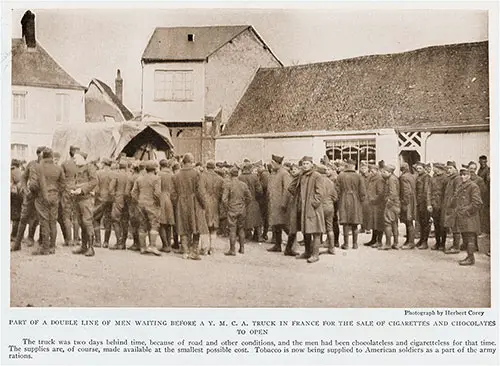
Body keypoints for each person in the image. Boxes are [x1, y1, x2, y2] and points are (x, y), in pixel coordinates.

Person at [171, 153, 208, 260]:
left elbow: (173, 193)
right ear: (192, 161)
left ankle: (185, 251)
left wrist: (177, 203)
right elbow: (200, 192)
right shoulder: (197, 174)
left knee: (182, 226)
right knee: (196, 226)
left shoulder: (176, 175)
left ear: (183, 162)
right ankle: (194, 251)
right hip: (194, 203)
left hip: (181, 202)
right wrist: (204, 204)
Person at [30, 148, 66, 255]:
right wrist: (56, 192)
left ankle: (45, 247)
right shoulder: (58, 168)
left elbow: (33, 184)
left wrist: (36, 193)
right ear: (51, 156)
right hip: (54, 196)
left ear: (43, 156)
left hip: (42, 196)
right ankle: (52, 247)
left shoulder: (38, 167)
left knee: (44, 221)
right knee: (53, 221)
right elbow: (63, 184)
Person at [11, 146, 45, 252]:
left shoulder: (47, 166)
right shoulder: (31, 164)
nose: (43, 156)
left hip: (41, 197)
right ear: (38, 154)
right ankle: (17, 244)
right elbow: (23, 177)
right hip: (30, 196)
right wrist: (25, 190)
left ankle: (39, 240)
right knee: (23, 218)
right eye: (41, 154)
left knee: (38, 219)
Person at [451, 167, 483, 265]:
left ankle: (471, 258)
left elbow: (477, 203)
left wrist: (466, 211)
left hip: (470, 216)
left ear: (469, 175)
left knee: (470, 238)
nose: (463, 177)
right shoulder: (461, 185)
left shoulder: (473, 186)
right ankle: (469, 257)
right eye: (461, 175)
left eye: (465, 175)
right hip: (462, 216)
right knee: (465, 237)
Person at [131, 161, 162, 256]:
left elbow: (133, 193)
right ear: (155, 169)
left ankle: (142, 247)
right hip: (151, 204)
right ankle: (152, 246)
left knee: (142, 225)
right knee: (154, 224)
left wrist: (138, 201)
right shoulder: (156, 179)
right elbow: (157, 193)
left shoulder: (139, 179)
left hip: (140, 203)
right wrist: (158, 203)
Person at [71, 152, 98, 257]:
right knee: (81, 222)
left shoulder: (90, 167)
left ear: (83, 158)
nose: (74, 160)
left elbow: (94, 181)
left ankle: (91, 248)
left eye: (76, 158)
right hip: (78, 199)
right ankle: (83, 246)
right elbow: (76, 182)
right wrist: (73, 189)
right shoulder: (78, 169)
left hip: (86, 199)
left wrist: (82, 189)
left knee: (87, 222)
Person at [337, 159, 366, 250]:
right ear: (354, 166)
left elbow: (337, 189)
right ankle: (355, 244)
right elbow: (362, 191)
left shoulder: (341, 176)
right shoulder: (358, 176)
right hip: (355, 200)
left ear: (346, 165)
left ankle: (346, 244)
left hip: (344, 199)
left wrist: (338, 199)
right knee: (355, 222)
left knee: (345, 222)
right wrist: (361, 200)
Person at [222, 166, 251, 255]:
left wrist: (227, 208)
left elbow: (224, 199)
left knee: (232, 229)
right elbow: (249, 197)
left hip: (232, 209)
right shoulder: (243, 184)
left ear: (230, 174)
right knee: (241, 228)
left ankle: (232, 249)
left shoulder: (228, 185)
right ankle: (242, 248)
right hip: (242, 209)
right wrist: (244, 205)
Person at [267, 154, 291, 252]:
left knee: (283, 225)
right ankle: (277, 245)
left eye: (272, 163)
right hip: (274, 203)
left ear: (278, 163)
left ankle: (292, 244)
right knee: (276, 224)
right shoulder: (274, 173)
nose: (271, 164)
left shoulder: (284, 173)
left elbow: (287, 189)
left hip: (281, 204)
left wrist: (284, 203)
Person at [202, 160, 224, 255]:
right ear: (214, 167)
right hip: (215, 203)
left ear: (207, 167)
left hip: (205, 203)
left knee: (204, 226)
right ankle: (212, 248)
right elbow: (222, 193)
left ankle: (204, 248)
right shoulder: (220, 179)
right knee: (214, 227)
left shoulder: (202, 177)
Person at [238, 162, 264, 242]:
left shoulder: (240, 177)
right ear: (250, 169)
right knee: (257, 219)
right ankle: (259, 237)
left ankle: (245, 237)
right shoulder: (254, 177)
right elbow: (259, 190)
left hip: (243, 201)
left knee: (244, 220)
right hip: (253, 200)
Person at [61, 145, 81, 246]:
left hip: (67, 190)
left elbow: (61, 179)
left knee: (66, 216)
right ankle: (76, 239)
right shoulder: (81, 165)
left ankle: (68, 240)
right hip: (77, 190)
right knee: (76, 216)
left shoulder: (65, 164)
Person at [108, 160, 130, 250]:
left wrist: (114, 196)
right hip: (127, 200)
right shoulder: (129, 175)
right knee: (125, 221)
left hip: (118, 198)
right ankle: (123, 243)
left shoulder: (116, 175)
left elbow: (110, 189)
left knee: (115, 220)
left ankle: (119, 242)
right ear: (126, 167)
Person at [442, 161, 462, 254]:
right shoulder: (451, 178)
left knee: (456, 226)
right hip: (450, 205)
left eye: (450, 168)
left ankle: (456, 247)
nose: (448, 170)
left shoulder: (457, 179)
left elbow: (457, 193)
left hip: (454, 206)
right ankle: (455, 245)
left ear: (455, 169)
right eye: (447, 168)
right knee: (453, 225)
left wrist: (452, 204)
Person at [93, 158, 113, 248]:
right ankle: (106, 242)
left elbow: (96, 188)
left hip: (100, 198)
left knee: (95, 219)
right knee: (108, 220)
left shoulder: (98, 173)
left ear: (104, 164)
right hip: (110, 199)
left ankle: (97, 241)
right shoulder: (114, 174)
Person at [364, 163, 386, 248]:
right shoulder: (372, 178)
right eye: (370, 171)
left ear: (377, 171)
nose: (371, 172)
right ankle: (373, 239)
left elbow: (380, 193)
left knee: (379, 223)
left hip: (378, 204)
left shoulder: (379, 179)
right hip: (373, 204)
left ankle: (379, 241)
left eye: (372, 171)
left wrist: (374, 200)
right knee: (373, 222)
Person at [317, 164, 337, 255]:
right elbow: (335, 197)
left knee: (317, 228)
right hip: (329, 206)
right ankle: (332, 248)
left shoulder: (317, 182)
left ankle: (315, 249)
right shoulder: (330, 182)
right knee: (330, 228)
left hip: (320, 207)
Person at [379, 164, 400, 250]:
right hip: (396, 204)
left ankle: (388, 244)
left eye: (384, 172)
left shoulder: (391, 180)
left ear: (389, 172)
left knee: (387, 223)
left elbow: (393, 193)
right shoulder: (394, 178)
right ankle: (396, 243)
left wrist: (388, 202)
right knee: (394, 223)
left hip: (391, 204)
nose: (382, 173)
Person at [157, 159, 176, 253]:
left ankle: (165, 245)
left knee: (161, 223)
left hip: (161, 198)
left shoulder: (159, 174)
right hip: (171, 199)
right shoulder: (173, 175)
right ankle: (168, 243)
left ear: (160, 165)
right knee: (169, 223)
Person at [400, 162, 417, 250]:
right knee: (409, 221)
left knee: (409, 221)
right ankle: (409, 240)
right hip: (412, 200)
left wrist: (404, 202)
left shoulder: (403, 177)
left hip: (407, 202)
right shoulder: (411, 176)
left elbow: (406, 191)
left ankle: (411, 242)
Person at [414, 162, 432, 249]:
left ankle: (425, 242)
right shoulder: (418, 177)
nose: (418, 170)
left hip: (424, 203)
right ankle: (421, 240)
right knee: (421, 222)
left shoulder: (426, 177)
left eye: (420, 168)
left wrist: (426, 203)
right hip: (419, 202)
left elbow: (426, 191)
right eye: (417, 169)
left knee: (425, 223)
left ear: (424, 169)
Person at [430, 163, 448, 250]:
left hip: (442, 205)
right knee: (436, 225)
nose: (434, 170)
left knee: (443, 225)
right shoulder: (433, 178)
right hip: (434, 204)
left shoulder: (445, 178)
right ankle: (437, 242)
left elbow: (446, 193)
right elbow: (429, 191)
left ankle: (442, 243)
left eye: (435, 168)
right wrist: (430, 203)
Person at [477, 155, 490, 243]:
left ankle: (485, 231)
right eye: (481, 162)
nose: (482, 163)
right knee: (481, 213)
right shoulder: (480, 170)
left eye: (484, 162)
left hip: (485, 194)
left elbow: (487, 183)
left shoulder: (488, 170)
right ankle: (482, 230)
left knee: (484, 213)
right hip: (480, 193)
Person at [11, 159, 23, 243]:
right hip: (15, 193)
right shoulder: (17, 171)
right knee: (16, 216)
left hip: (10, 194)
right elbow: (18, 181)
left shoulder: (9, 170)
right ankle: (14, 235)